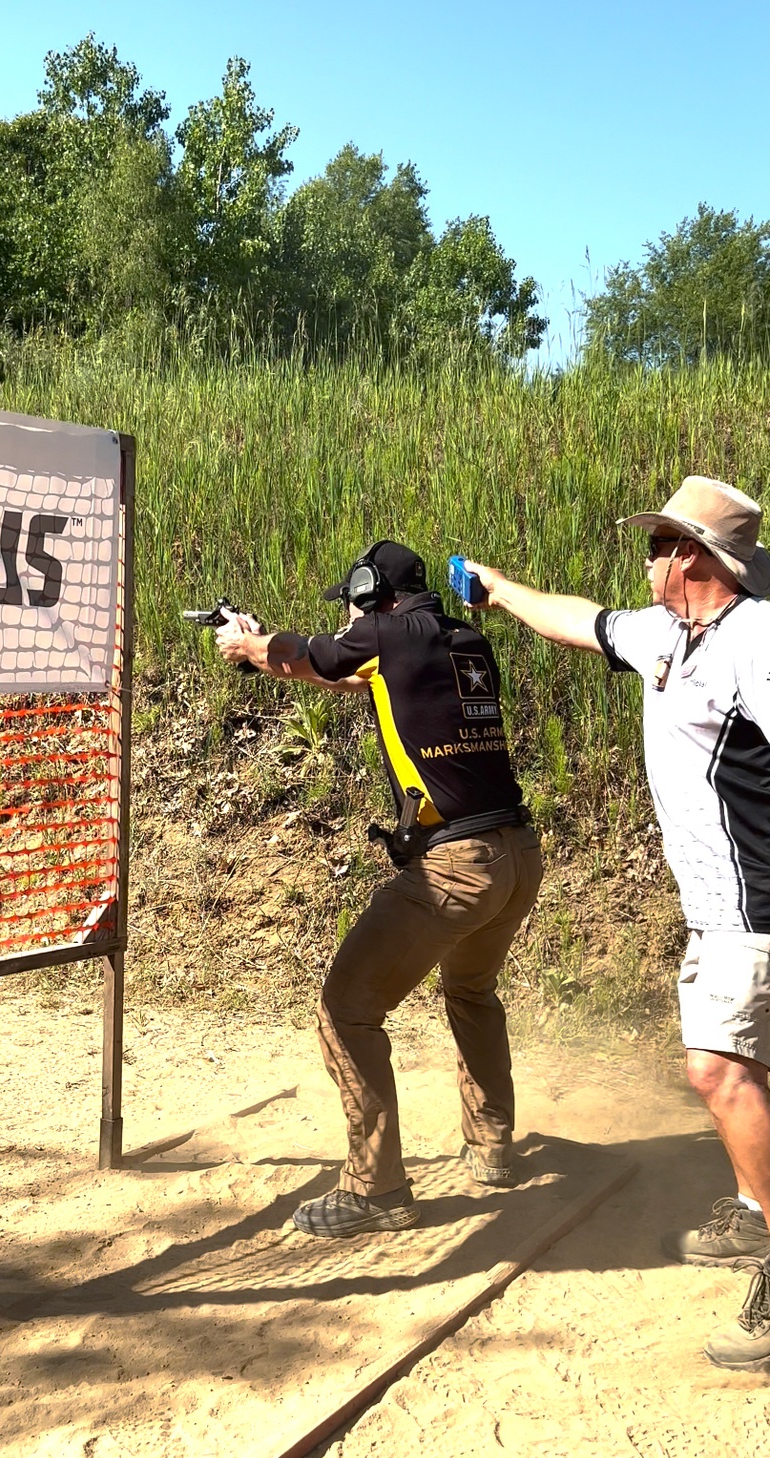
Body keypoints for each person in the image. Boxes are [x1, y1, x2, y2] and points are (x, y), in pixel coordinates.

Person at [468, 476, 770, 1371]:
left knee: (717, 1070)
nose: (645, 559)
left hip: (756, 902)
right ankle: (756, 1212)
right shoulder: (669, 634)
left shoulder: (754, 640)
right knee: (738, 1067)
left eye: (659, 544)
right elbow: (580, 619)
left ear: (696, 559)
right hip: (718, 909)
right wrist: (495, 587)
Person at [216, 540, 542, 1239]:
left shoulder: (387, 633)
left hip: (456, 867)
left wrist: (248, 647)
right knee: (472, 992)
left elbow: (323, 649)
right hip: (515, 857)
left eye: (356, 602)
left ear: (371, 596)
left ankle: (375, 1192)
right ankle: (492, 1147)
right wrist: (266, 649)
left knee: (346, 1008)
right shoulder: (463, 641)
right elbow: (349, 675)